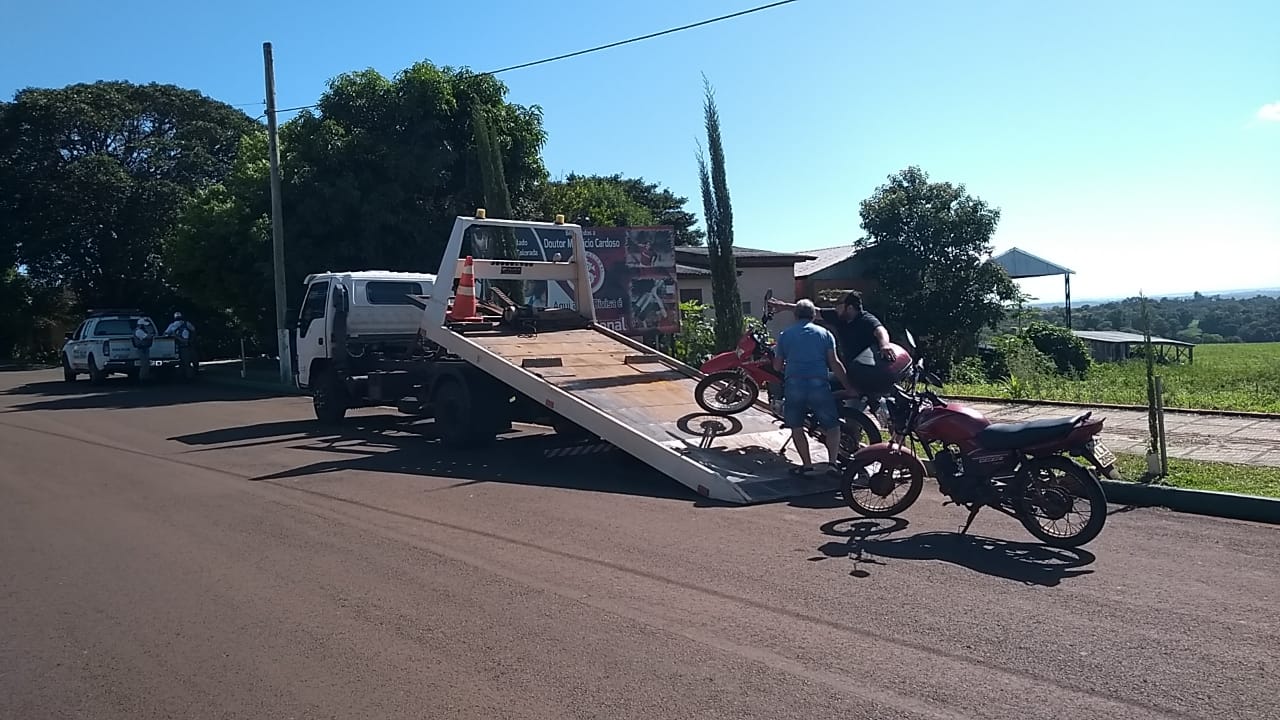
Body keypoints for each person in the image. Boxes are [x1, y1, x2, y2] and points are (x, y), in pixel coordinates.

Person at [773, 299, 856, 476]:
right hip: (818, 384)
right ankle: (832, 464)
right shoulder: (825, 334)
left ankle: (807, 465)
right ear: (813, 316)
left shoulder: (785, 334)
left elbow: (776, 367)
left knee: (796, 426)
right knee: (832, 425)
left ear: (795, 315)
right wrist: (848, 386)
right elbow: (835, 363)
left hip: (794, 384)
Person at [769, 290, 898, 398]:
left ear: (850, 308)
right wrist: (784, 307)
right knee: (824, 382)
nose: (835, 308)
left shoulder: (866, 319)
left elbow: (880, 330)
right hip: (850, 370)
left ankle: (834, 419)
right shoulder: (839, 316)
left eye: (839, 305)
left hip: (864, 373)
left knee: (823, 391)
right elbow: (816, 312)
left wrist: (884, 345)